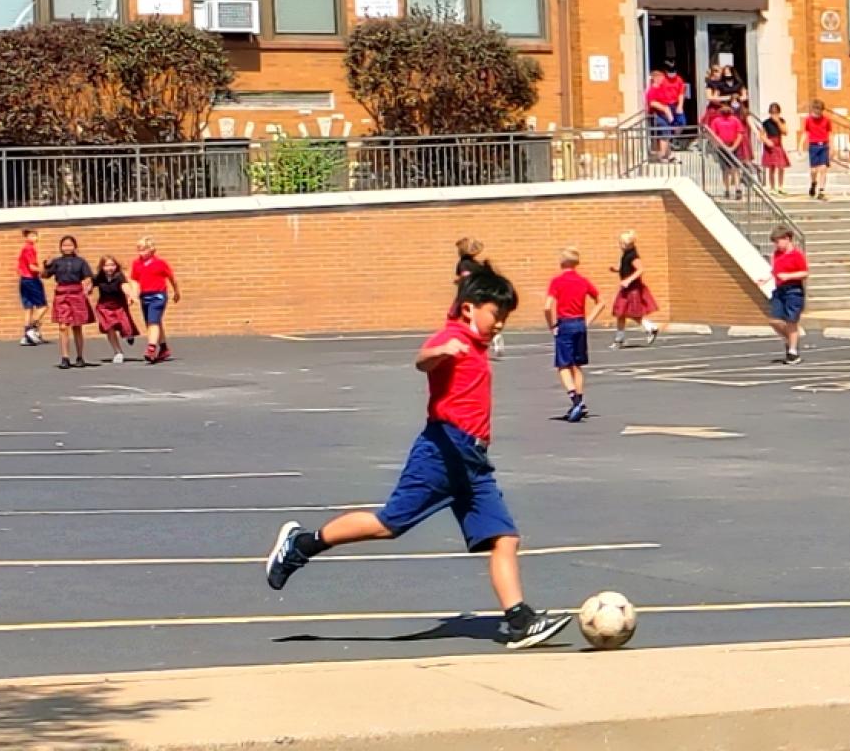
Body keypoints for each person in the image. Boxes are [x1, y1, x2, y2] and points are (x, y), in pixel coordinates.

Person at [263, 268, 572, 651]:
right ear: (469, 309)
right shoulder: (452, 336)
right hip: (442, 452)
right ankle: (301, 544)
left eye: (505, 317)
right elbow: (422, 359)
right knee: (387, 524)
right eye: (496, 315)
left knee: (504, 538)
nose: (500, 324)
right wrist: (441, 351)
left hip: (473, 461)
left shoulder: (475, 341)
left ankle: (519, 620)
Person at [543, 247, 602, 421]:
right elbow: (600, 301)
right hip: (579, 323)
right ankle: (581, 400)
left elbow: (547, 306)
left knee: (563, 365)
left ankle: (575, 400)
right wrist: (588, 320)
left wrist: (551, 325)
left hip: (565, 324)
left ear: (562, 262)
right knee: (577, 365)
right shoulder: (583, 281)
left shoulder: (557, 282)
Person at [761, 225, 809, 364]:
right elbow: (775, 271)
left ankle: (793, 352)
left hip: (793, 290)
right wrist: (766, 278)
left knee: (791, 321)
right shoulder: (777, 254)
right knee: (774, 320)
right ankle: (790, 339)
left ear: (787, 239)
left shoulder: (797, 255)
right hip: (780, 289)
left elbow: (804, 273)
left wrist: (789, 276)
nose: (776, 245)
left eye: (778, 241)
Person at [47, 233, 95, 369]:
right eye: (64, 245)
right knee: (63, 326)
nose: (67, 247)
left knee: (77, 326)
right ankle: (65, 357)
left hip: (76, 292)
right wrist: (46, 264)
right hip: (62, 293)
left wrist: (88, 287)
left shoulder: (81, 262)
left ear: (74, 247)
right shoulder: (57, 262)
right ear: (61, 248)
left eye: (70, 245)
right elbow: (45, 275)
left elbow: (88, 277)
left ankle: (80, 356)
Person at [131, 234, 180, 363]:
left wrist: (176, 291)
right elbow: (135, 280)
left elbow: (172, 278)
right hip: (145, 296)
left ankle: (151, 348)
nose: (141, 252)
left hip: (158, 296)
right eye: (139, 249)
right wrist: (133, 295)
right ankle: (164, 348)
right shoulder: (136, 264)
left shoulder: (160, 263)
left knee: (153, 322)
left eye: (144, 249)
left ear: (151, 249)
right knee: (153, 322)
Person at [611, 231, 661, 348]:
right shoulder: (625, 254)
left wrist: (628, 280)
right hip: (626, 289)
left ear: (629, 245)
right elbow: (626, 267)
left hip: (633, 289)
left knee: (632, 312)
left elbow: (640, 270)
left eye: (623, 244)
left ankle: (650, 328)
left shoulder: (633, 256)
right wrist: (617, 269)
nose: (620, 246)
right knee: (620, 312)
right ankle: (620, 338)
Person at [91, 254, 140, 364]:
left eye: (112, 265)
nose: (110, 268)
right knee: (110, 328)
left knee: (126, 327)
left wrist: (132, 295)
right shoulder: (99, 277)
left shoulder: (119, 276)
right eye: (107, 265)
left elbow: (125, 287)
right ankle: (118, 352)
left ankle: (129, 335)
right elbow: (89, 285)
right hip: (104, 306)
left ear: (116, 266)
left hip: (119, 305)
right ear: (102, 267)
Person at [706, 97, 746, 194]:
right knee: (725, 169)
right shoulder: (716, 121)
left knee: (735, 168)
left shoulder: (735, 120)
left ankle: (737, 188)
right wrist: (721, 145)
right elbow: (713, 135)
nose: (725, 109)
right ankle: (727, 189)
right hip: (721, 147)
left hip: (733, 146)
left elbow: (740, 133)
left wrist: (734, 147)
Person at [17, 228, 47, 347]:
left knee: (28, 307)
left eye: (35, 235)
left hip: (24, 279)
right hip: (31, 279)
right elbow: (32, 267)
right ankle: (31, 330)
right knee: (43, 306)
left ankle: (26, 336)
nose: (35, 238)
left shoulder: (24, 248)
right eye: (32, 235)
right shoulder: (30, 249)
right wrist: (44, 270)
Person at [801, 98, 834, 200]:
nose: (818, 112)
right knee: (813, 170)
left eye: (820, 110)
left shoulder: (826, 120)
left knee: (823, 168)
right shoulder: (808, 120)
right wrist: (800, 145)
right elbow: (805, 133)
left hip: (824, 145)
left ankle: (821, 190)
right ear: (813, 109)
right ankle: (813, 182)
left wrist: (832, 147)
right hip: (813, 146)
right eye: (816, 110)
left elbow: (830, 133)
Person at [645, 70, 677, 161]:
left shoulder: (661, 88)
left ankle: (668, 154)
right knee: (664, 132)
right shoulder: (653, 90)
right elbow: (653, 103)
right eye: (661, 78)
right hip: (657, 115)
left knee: (667, 133)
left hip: (663, 115)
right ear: (655, 78)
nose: (663, 80)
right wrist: (665, 109)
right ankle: (662, 155)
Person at [760, 102, 790, 191]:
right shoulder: (766, 122)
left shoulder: (782, 120)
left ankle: (781, 186)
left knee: (781, 166)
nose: (774, 114)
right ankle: (772, 187)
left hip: (778, 144)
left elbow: (785, 132)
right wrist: (766, 141)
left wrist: (778, 122)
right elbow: (761, 135)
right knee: (772, 167)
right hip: (770, 144)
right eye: (772, 112)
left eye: (776, 112)